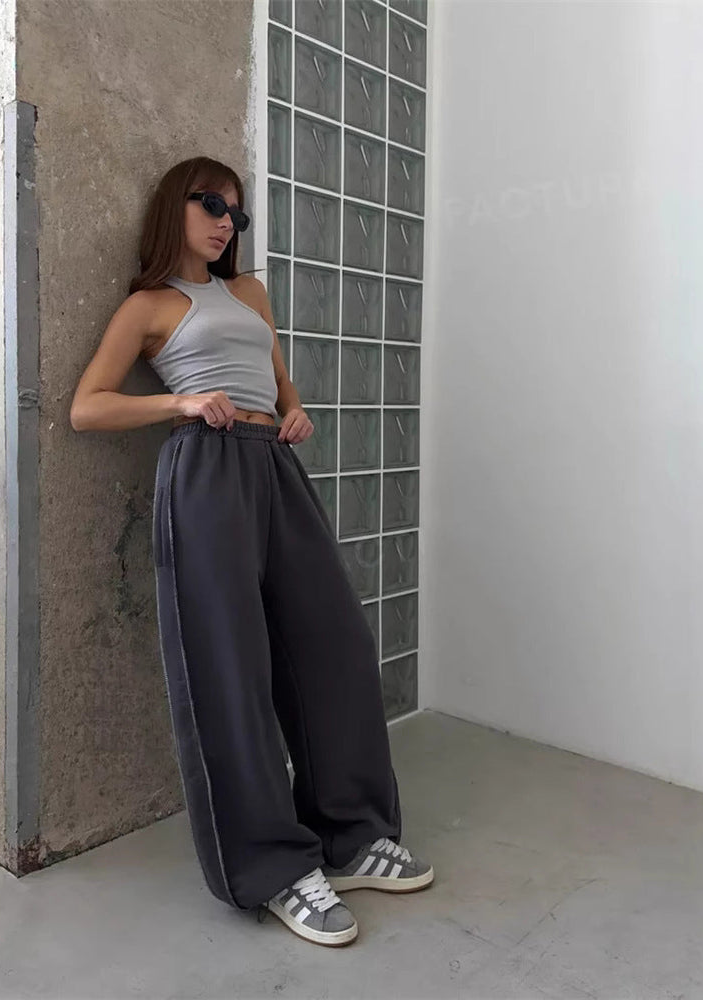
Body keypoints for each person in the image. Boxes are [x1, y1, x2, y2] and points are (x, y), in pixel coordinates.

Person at [70, 156, 433, 947]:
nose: (225, 221)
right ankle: (273, 869)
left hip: (274, 463)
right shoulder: (147, 306)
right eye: (210, 203)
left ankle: (350, 836)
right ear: (176, 207)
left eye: (235, 211)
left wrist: (294, 411)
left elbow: (280, 383)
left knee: (332, 644)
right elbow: (86, 407)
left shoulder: (249, 293)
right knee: (227, 666)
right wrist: (179, 401)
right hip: (204, 468)